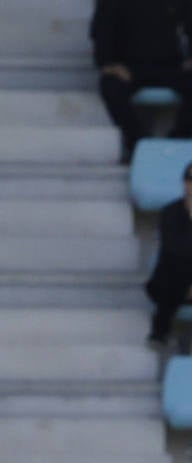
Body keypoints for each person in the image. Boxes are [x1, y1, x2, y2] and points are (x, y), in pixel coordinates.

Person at [91, 0, 192, 163]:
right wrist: (107, 63)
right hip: (129, 68)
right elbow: (102, 28)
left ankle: (178, 141)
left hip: (171, 66)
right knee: (110, 85)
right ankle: (137, 143)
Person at [146, 160, 192, 346]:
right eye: (190, 179)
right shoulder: (171, 212)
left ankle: (159, 332)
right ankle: (159, 333)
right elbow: (174, 249)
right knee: (175, 271)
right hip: (174, 278)